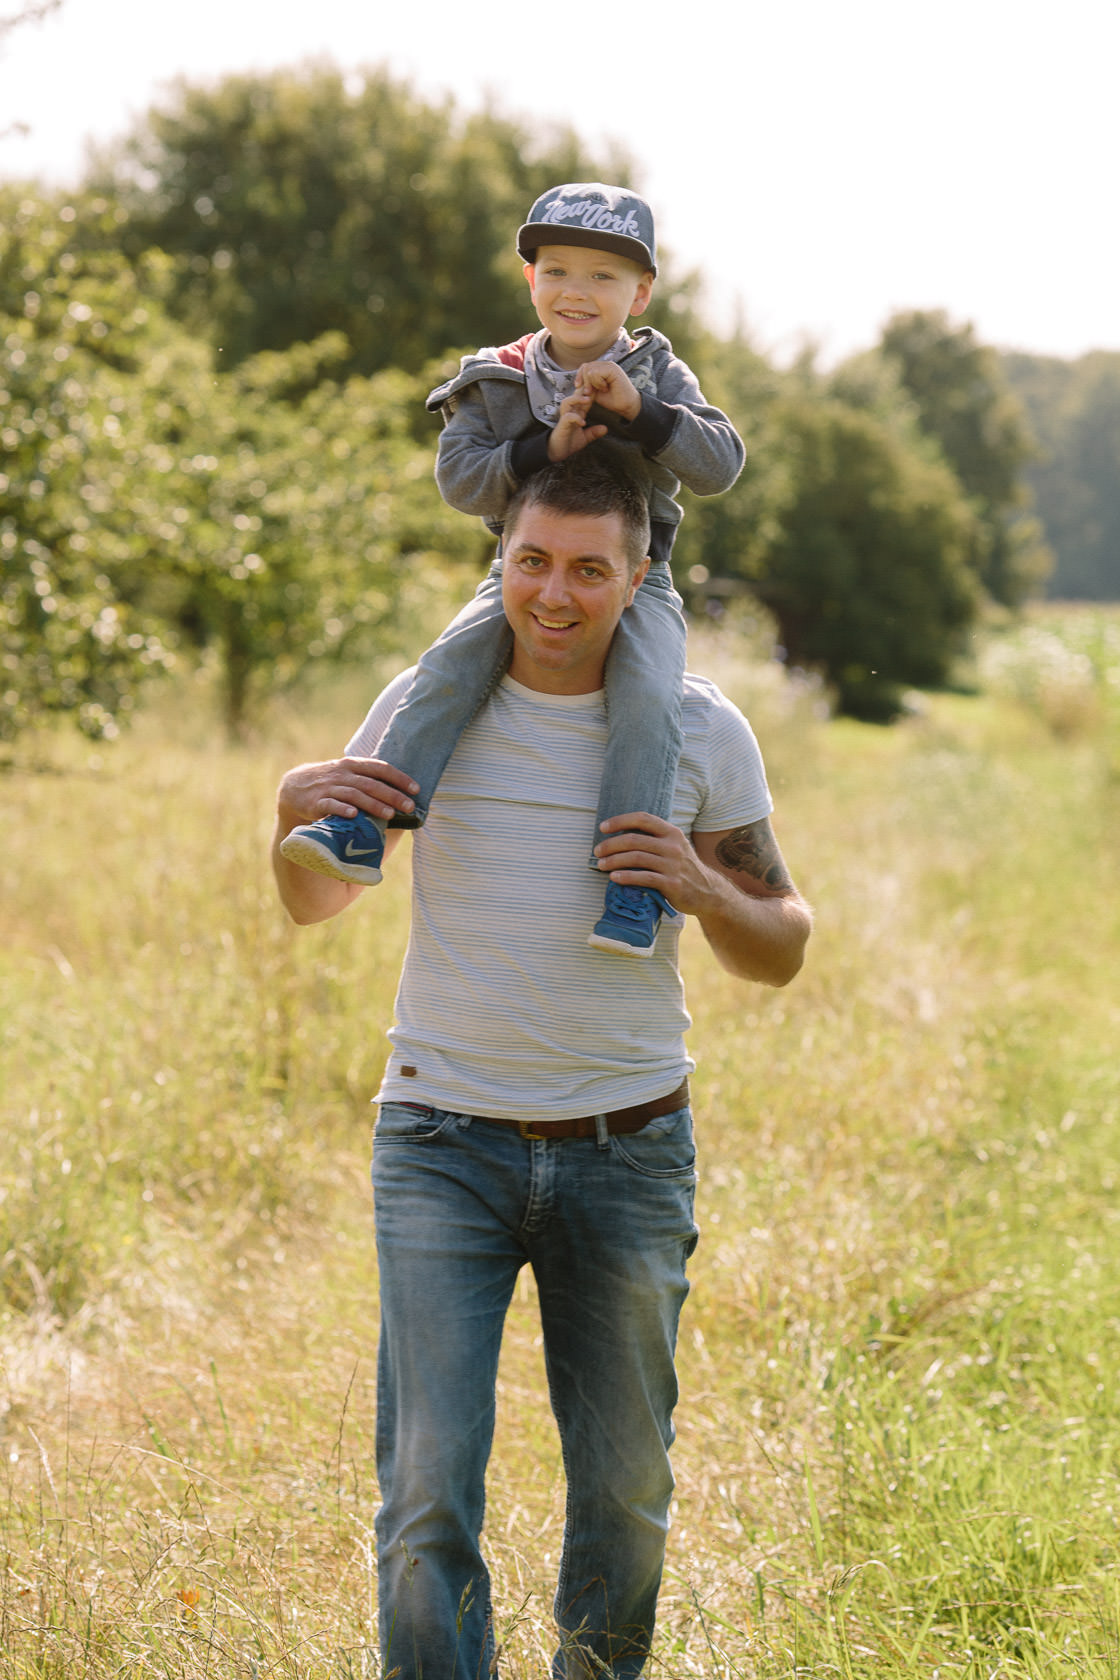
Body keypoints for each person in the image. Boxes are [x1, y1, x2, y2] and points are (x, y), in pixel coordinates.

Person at [272, 454, 811, 1680]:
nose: (553, 595)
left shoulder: (695, 728)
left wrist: (700, 884)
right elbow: (312, 902)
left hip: (626, 1151)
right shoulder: (428, 703)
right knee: (423, 1499)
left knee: (623, 1496)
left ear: (638, 578)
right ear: (498, 559)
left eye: (587, 569)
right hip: (437, 1144)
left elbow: (780, 947)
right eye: (530, 561)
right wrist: (287, 812)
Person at [280, 180, 745, 957]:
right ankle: (364, 828)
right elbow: (459, 479)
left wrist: (644, 414)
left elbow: (721, 464)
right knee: (448, 669)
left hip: (641, 578)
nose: (577, 291)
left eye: (604, 276)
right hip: (521, 577)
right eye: (558, 269)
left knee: (649, 695)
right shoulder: (495, 375)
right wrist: (540, 450)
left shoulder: (660, 372)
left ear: (642, 292)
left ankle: (630, 888)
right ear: (531, 280)